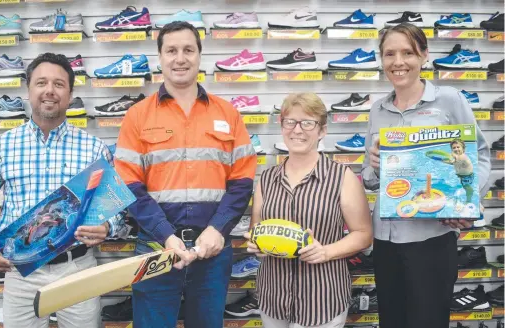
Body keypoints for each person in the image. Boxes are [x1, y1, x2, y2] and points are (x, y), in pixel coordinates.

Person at [0, 53, 125, 328]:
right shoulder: (1, 147)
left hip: (77, 268)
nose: (50, 90)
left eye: (59, 84)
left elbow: (114, 205)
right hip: (20, 271)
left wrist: (108, 226)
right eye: (41, 82)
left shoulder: (93, 148)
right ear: (28, 88)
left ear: (70, 92)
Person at [114, 21, 257, 328]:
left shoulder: (227, 113)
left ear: (199, 55)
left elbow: (242, 180)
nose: (180, 58)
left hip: (213, 250)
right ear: (160, 57)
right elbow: (128, 184)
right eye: (172, 50)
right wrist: (165, 234)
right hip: (156, 248)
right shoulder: (137, 116)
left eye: (188, 50)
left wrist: (218, 229)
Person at [362, 23, 491, 328]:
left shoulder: (449, 100)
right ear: (381, 59)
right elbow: (368, 178)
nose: (398, 62)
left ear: (424, 55)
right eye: (390, 53)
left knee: (428, 321)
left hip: (431, 238)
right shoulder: (378, 110)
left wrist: (468, 202)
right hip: (386, 240)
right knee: (392, 321)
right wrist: (374, 167)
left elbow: (480, 156)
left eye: (408, 52)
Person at [245, 93, 373, 328]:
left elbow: (363, 234)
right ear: (281, 126)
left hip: (322, 298)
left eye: (308, 123)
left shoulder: (342, 177)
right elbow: (257, 229)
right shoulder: (267, 179)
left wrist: (326, 252)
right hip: (274, 297)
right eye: (290, 122)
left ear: (322, 130)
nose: (297, 130)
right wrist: (257, 246)